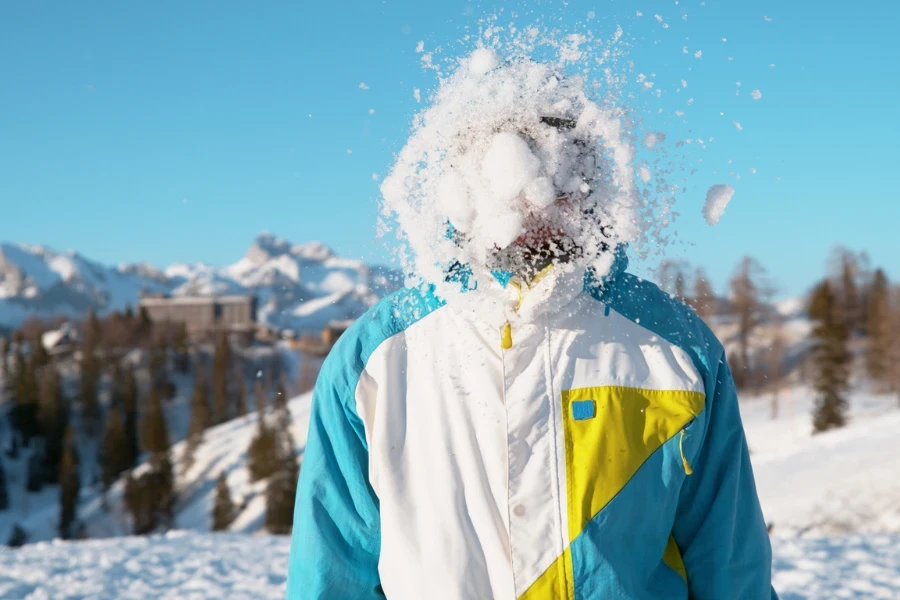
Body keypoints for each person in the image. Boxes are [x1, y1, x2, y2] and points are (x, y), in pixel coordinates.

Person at [285, 59, 776, 599]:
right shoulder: (377, 357)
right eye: (509, 174)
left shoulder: (676, 348)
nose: (534, 198)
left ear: (590, 180)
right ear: (464, 187)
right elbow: (332, 572)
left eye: (558, 171)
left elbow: (730, 565)